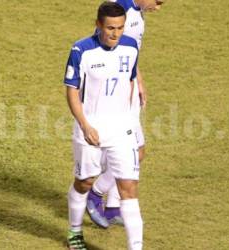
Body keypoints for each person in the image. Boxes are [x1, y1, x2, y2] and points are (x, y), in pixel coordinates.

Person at [64, 2, 143, 249]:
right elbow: (72, 91)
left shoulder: (130, 47)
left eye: (119, 28)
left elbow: (129, 81)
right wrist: (85, 125)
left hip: (121, 130)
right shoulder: (81, 50)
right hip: (91, 129)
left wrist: (130, 119)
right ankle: (75, 231)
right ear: (98, 25)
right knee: (85, 181)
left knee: (128, 187)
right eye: (110, 28)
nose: (115, 33)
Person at [86, 0, 165, 228]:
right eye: (157, 2)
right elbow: (101, 48)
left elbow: (129, 54)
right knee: (135, 153)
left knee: (130, 152)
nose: (158, 7)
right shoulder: (119, 10)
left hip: (126, 92)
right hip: (116, 98)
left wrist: (138, 79)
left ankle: (112, 207)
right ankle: (94, 193)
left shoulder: (136, 11)